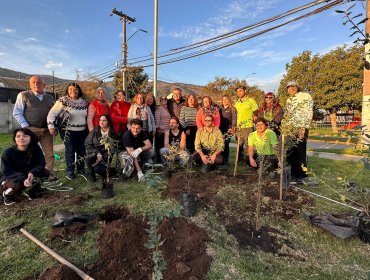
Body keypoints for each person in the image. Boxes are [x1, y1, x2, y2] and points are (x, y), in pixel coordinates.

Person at [12, 75, 56, 180]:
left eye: (38, 82)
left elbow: (54, 113)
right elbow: (17, 112)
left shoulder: (50, 97)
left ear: (44, 85)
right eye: (33, 82)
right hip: (30, 129)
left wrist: (54, 126)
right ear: (30, 85)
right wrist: (26, 127)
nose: (36, 84)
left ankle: (48, 173)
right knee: (29, 152)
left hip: (46, 130)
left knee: (49, 153)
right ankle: (27, 175)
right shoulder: (23, 95)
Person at [47, 83, 89, 180]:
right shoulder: (63, 100)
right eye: (70, 89)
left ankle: (80, 169)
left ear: (79, 90)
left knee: (81, 151)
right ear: (67, 90)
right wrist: (51, 126)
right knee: (70, 151)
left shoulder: (83, 102)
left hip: (82, 131)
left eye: (75, 89)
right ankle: (70, 171)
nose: (73, 91)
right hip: (68, 131)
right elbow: (52, 113)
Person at [1, 128, 50, 205]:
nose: (21, 138)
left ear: (31, 138)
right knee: (17, 186)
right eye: (18, 136)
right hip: (11, 177)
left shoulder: (35, 148)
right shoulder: (8, 153)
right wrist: (23, 179)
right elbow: (7, 172)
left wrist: (32, 172)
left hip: (28, 173)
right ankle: (7, 194)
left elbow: (41, 163)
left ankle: (33, 191)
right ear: (15, 139)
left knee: (45, 172)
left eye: (25, 136)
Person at [284, 81, 313, 181]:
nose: (290, 89)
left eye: (292, 87)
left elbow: (309, 111)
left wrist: (304, 126)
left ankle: (302, 174)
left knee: (300, 151)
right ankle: (293, 172)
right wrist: (285, 127)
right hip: (290, 128)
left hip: (301, 127)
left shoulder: (305, 96)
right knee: (291, 151)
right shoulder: (289, 100)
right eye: (288, 88)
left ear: (297, 87)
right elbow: (288, 114)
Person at [85, 114, 119, 182]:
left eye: (104, 121)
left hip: (106, 154)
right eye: (100, 120)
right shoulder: (95, 131)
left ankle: (111, 172)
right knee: (88, 157)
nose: (101, 122)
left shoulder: (112, 133)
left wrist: (103, 154)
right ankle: (92, 175)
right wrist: (97, 153)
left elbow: (113, 147)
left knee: (98, 169)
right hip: (95, 152)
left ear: (108, 122)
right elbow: (87, 144)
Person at [234, 85, 258, 162]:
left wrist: (256, 124)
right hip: (239, 127)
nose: (239, 93)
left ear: (245, 91)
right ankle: (239, 160)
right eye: (237, 91)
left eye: (240, 90)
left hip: (248, 127)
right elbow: (235, 115)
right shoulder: (236, 103)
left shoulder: (251, 101)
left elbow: (256, 114)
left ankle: (251, 160)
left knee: (249, 145)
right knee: (239, 145)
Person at [219, 95, 237, 165]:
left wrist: (233, 128)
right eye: (223, 99)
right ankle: (220, 159)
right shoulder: (219, 109)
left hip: (228, 130)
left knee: (226, 145)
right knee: (220, 145)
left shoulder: (233, 109)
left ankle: (226, 160)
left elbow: (234, 120)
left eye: (226, 99)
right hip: (219, 129)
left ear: (229, 100)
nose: (224, 101)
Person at [154, 95, 171, 160]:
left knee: (165, 147)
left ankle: (165, 161)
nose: (164, 101)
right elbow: (157, 119)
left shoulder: (167, 108)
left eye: (165, 99)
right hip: (161, 131)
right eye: (162, 100)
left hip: (166, 131)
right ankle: (159, 161)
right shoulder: (159, 108)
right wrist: (158, 129)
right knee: (160, 147)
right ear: (160, 101)